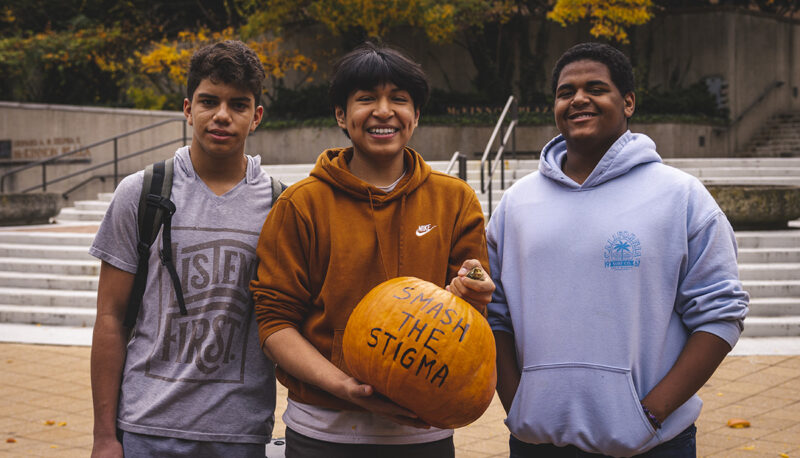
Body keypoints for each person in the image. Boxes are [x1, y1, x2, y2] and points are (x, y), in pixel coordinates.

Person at [487, 42, 749, 457]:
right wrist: (517, 402)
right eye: (565, 91)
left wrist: (651, 413)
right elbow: (493, 313)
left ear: (628, 102)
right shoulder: (517, 203)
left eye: (595, 88)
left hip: (652, 443)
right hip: (536, 442)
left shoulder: (680, 196)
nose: (578, 99)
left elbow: (722, 313)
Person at [251, 42, 495, 458]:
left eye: (399, 99)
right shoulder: (301, 204)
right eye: (366, 99)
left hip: (424, 433)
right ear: (341, 115)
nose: (384, 111)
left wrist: (471, 291)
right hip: (323, 431)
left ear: (416, 115)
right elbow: (275, 323)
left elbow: (470, 320)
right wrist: (344, 385)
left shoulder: (455, 200)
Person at [89, 40, 277, 457]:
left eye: (238, 105)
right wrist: (104, 436)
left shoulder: (280, 205)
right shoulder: (141, 193)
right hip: (146, 428)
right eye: (209, 101)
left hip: (241, 434)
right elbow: (110, 317)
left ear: (256, 116)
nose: (222, 116)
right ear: (189, 108)